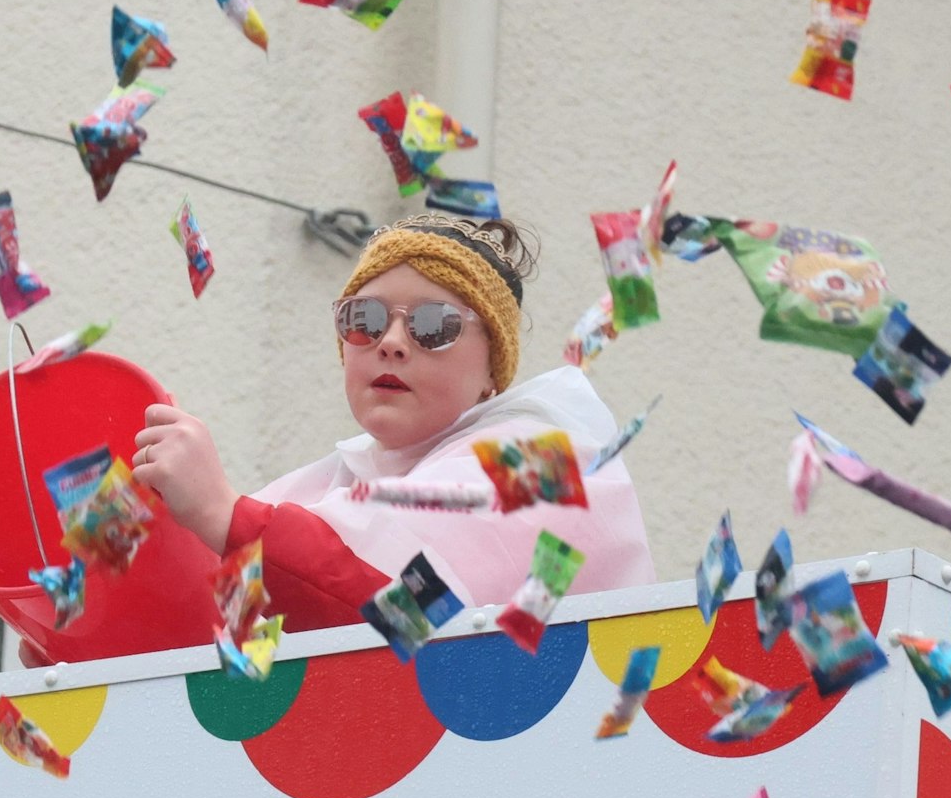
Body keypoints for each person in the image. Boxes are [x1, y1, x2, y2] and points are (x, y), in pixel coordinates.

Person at [130, 212, 656, 632]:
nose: (392, 342)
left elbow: (406, 615)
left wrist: (224, 515)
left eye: (434, 324)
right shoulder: (318, 488)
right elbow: (187, 631)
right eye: (365, 319)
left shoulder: (549, 465)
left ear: (492, 371)